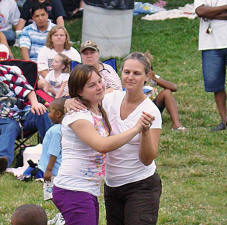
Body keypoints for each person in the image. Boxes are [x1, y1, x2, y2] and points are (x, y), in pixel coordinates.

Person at [65, 52, 162, 225]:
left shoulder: (150, 111)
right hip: (112, 186)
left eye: (136, 73)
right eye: (126, 72)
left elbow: (147, 159)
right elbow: (84, 99)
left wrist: (144, 132)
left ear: (147, 76)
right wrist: (68, 101)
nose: (130, 77)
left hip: (141, 185)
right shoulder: (109, 99)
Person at [194, 0, 227, 131]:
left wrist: (211, 14)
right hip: (210, 44)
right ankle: (224, 121)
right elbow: (200, 11)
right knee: (215, 84)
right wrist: (226, 8)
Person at [143, 52, 186, 131]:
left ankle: (176, 124)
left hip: (153, 107)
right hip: (138, 108)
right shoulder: (132, 78)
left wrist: (155, 79)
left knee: (167, 92)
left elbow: (174, 88)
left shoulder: (152, 77)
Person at [38, 98, 65, 181]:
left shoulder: (56, 131)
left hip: (52, 170)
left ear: (57, 114)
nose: (48, 114)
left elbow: (54, 152)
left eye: (49, 111)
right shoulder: (64, 128)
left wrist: (48, 170)